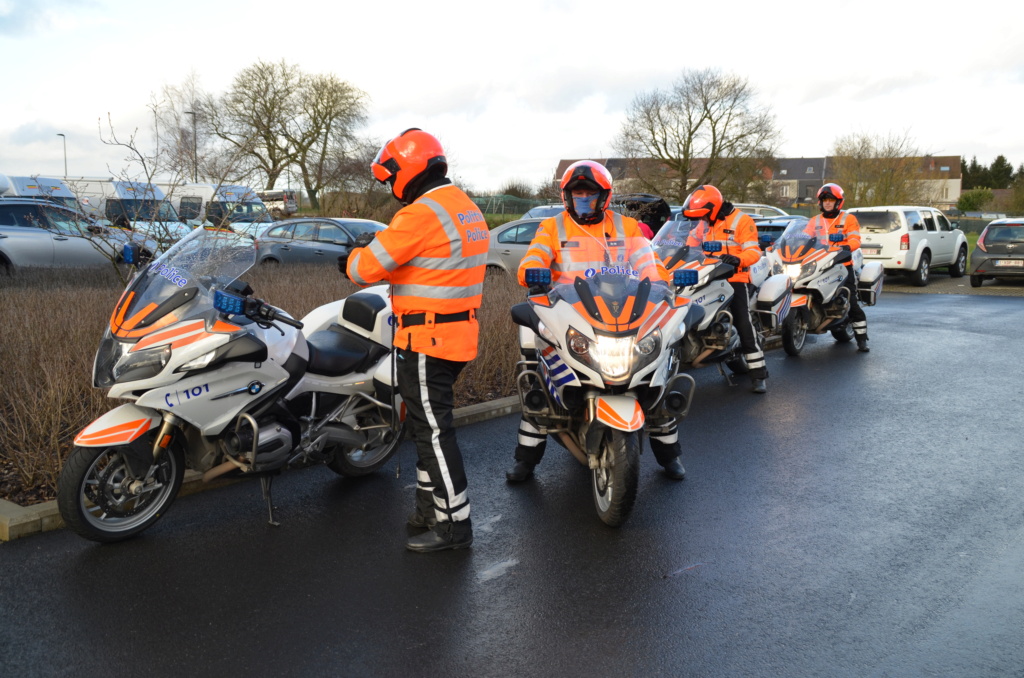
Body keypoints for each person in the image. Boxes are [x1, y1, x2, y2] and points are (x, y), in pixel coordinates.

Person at [345, 128, 488, 552]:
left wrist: (352, 256)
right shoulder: (464, 207)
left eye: (390, 178)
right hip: (456, 334)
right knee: (427, 430)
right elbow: (432, 264)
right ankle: (430, 511)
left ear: (406, 169)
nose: (391, 189)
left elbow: (365, 268)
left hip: (428, 339)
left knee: (434, 434)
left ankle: (453, 526)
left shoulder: (421, 213)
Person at [507, 160, 686, 482]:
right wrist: (533, 274)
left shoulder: (626, 227)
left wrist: (661, 286)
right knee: (537, 374)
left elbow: (650, 263)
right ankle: (526, 458)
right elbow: (534, 257)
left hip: (622, 312)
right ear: (566, 196)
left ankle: (668, 453)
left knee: (656, 369)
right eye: (577, 193)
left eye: (589, 193)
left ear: (604, 196)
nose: (583, 199)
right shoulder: (552, 227)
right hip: (567, 312)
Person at [681, 185, 769, 393]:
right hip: (706, 276)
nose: (700, 219)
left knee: (742, 320)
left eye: (703, 215)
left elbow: (754, 251)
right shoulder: (704, 223)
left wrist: (738, 259)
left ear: (713, 208)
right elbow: (689, 245)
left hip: (735, 277)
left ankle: (758, 374)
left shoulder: (742, 220)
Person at [804, 183, 869, 352]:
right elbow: (804, 238)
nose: (827, 203)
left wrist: (848, 246)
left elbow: (855, 239)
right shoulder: (814, 221)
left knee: (852, 302)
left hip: (842, 265)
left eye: (831, 200)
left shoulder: (848, 219)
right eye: (824, 199)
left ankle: (862, 338)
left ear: (838, 202)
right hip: (819, 266)